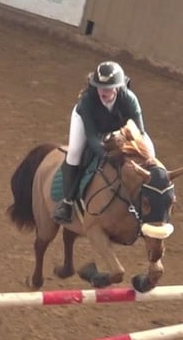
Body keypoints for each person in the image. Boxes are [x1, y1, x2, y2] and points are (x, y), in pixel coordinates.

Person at [52, 61, 155, 224]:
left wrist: (140, 152)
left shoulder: (129, 99)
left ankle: (153, 189)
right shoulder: (87, 101)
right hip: (87, 122)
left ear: (117, 88)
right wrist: (106, 155)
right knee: (75, 153)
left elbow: (140, 132)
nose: (102, 91)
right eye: (99, 87)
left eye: (107, 88)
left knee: (149, 147)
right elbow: (92, 137)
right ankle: (67, 202)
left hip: (116, 126)